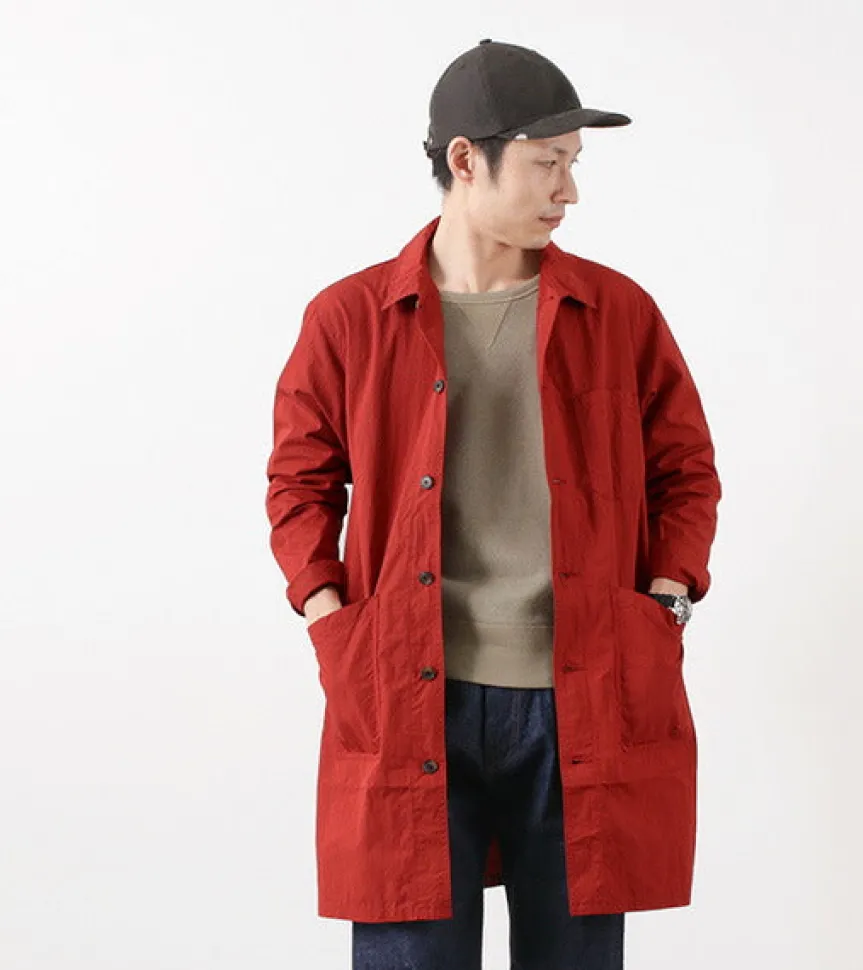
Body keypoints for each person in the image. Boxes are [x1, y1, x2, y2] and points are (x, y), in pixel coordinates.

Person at [265, 38, 722, 970]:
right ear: (467, 159)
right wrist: (329, 615)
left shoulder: (618, 312)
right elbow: (298, 482)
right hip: (407, 695)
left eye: (574, 164)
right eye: (549, 163)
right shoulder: (349, 317)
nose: (569, 191)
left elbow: (686, 470)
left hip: (580, 695)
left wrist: (667, 599)